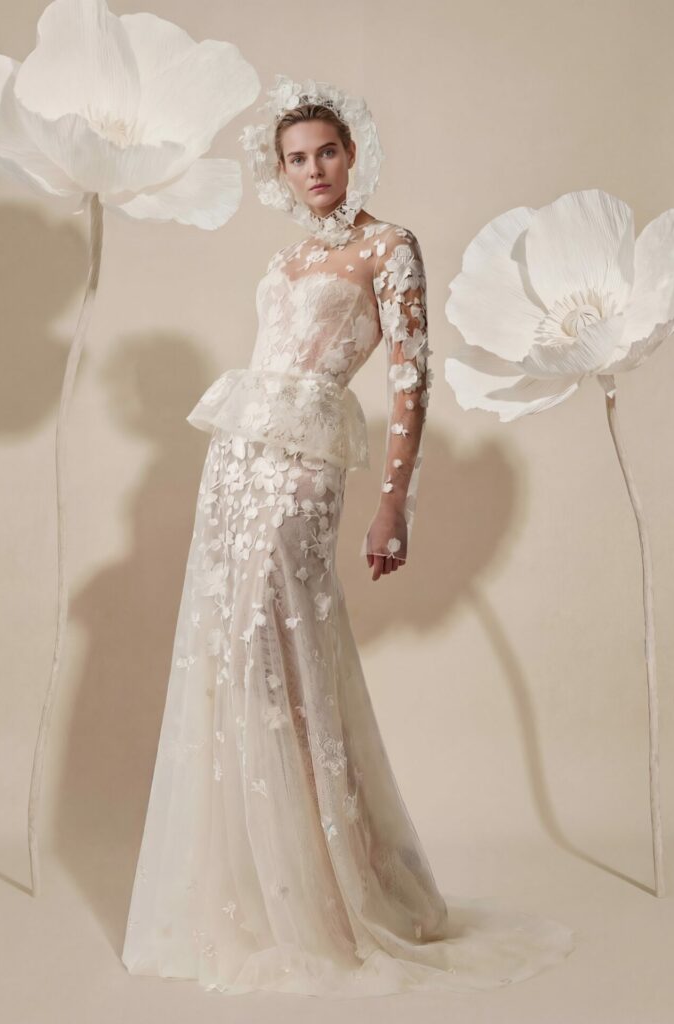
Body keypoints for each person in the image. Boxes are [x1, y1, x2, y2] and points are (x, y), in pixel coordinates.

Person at [121, 75, 575, 996]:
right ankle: (273, 885)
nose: (314, 169)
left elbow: (410, 378)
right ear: (280, 172)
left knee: (280, 646)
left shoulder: (389, 247)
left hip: (303, 463)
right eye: (296, 158)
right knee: (237, 658)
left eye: (326, 151)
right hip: (235, 459)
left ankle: (334, 896)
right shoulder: (286, 259)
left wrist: (393, 502)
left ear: (351, 153)